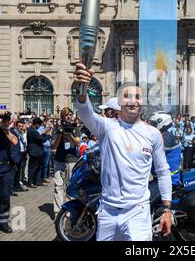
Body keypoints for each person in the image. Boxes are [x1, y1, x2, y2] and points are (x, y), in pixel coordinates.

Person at [74, 63, 172, 241]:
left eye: (137, 97)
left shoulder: (153, 134)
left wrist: (167, 209)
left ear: (142, 102)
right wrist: (83, 88)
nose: (133, 100)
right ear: (119, 102)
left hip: (138, 213)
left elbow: (163, 172)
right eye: (127, 96)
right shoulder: (107, 127)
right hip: (108, 212)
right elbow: (85, 112)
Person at [52, 107, 79, 218]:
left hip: (72, 159)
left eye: (70, 114)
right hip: (59, 159)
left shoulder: (75, 127)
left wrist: (70, 135)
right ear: (62, 116)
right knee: (58, 185)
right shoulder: (57, 128)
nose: (69, 116)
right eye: (66, 115)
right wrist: (60, 134)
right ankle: (57, 212)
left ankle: (68, 211)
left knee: (70, 185)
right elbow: (53, 145)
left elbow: (77, 142)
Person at [26, 118, 52, 188]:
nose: (39, 126)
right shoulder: (32, 130)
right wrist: (49, 135)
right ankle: (30, 182)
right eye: (39, 125)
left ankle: (37, 181)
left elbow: (39, 137)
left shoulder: (33, 130)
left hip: (38, 151)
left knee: (39, 166)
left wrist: (44, 133)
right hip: (34, 151)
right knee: (33, 167)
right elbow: (42, 139)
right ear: (36, 124)